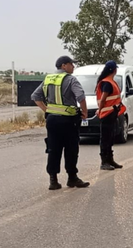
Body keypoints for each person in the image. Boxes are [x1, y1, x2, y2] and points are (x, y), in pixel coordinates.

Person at [32, 56, 91, 191]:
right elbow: (81, 96)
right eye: (71, 64)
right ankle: (72, 178)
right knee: (71, 149)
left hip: (52, 120)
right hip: (69, 120)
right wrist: (85, 112)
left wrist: (46, 109)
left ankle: (53, 180)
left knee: (53, 149)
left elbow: (35, 96)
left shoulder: (48, 79)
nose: (73, 67)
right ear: (64, 66)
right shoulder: (70, 79)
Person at [96, 61, 126, 170]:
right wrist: (99, 110)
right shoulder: (107, 83)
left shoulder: (111, 82)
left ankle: (110, 159)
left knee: (111, 137)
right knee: (105, 138)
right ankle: (104, 161)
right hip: (106, 114)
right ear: (114, 70)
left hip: (112, 113)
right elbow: (103, 99)